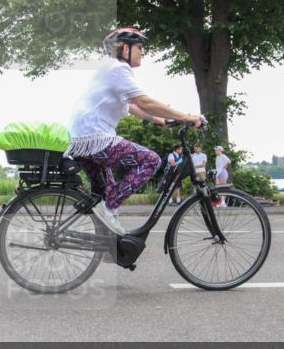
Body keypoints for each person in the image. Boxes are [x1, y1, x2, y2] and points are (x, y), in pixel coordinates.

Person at [66, 27, 203, 234]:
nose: (143, 52)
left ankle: (106, 242)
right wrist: (185, 116)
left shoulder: (107, 70)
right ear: (124, 48)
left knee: (105, 192)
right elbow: (143, 101)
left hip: (80, 140)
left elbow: (131, 105)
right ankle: (109, 207)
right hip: (95, 137)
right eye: (139, 47)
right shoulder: (119, 69)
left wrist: (156, 119)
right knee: (151, 160)